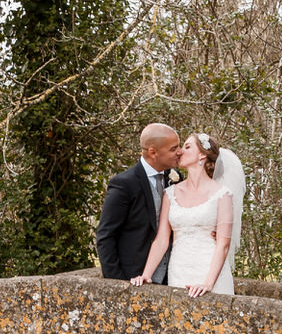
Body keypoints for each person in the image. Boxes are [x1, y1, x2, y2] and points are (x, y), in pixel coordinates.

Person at [130, 132, 245, 297]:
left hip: (210, 272)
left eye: (187, 146)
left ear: (202, 155)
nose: (180, 151)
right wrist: (146, 274)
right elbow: (161, 239)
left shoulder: (223, 194)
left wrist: (208, 283)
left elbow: (223, 244)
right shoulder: (170, 193)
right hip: (178, 270)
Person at [96, 123, 183, 282]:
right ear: (153, 152)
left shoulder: (176, 178)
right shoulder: (123, 184)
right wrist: (117, 282)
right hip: (134, 277)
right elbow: (105, 236)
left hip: (172, 276)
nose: (180, 152)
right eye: (173, 149)